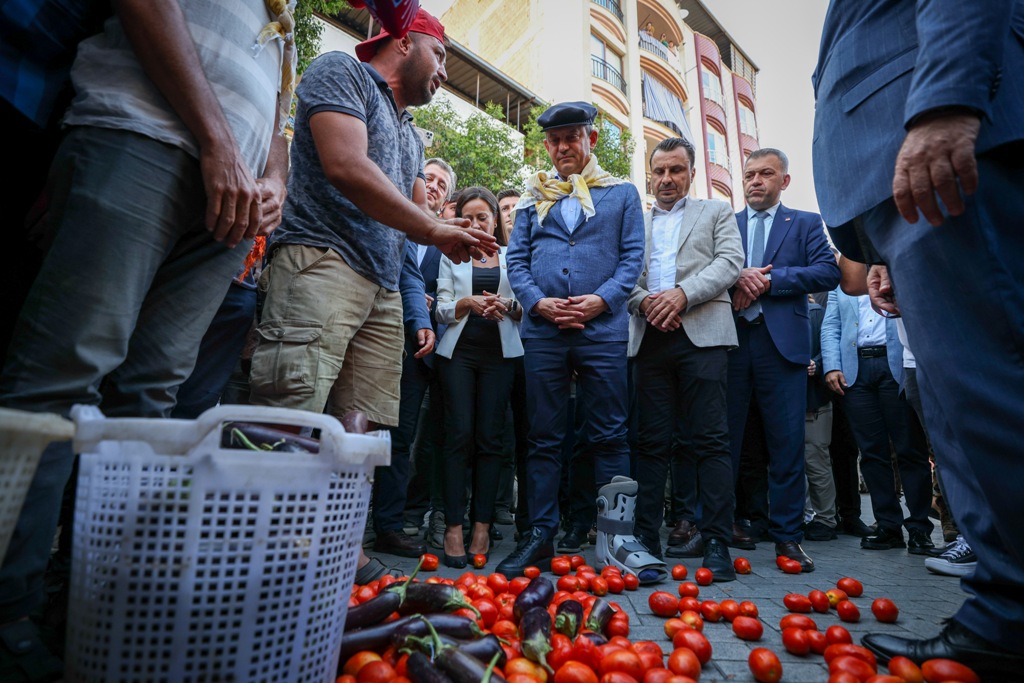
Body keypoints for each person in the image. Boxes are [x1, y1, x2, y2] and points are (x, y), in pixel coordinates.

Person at [0, 1, 292, 676]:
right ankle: (8, 604)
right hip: (142, 136)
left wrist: (274, 179)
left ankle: (96, 600)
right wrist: (219, 140)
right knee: (62, 371)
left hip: (233, 209)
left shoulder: (285, 12)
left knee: (149, 398)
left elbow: (279, 115)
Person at [812, 1, 1023, 676]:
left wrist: (944, 99)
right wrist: (876, 248)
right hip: (900, 182)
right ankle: (1004, 612)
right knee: (960, 408)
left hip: (939, 141)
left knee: (993, 391)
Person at [247, 8, 496, 579]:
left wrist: (447, 229)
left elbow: (414, 209)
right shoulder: (341, 71)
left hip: (384, 285)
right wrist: (434, 228)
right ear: (405, 43)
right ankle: (268, 554)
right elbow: (345, 165)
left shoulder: (411, 131)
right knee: (293, 410)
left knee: (361, 429)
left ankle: (341, 547)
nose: (442, 72)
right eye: (440, 56)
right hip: (322, 261)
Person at [498, 101, 662, 583]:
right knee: (543, 436)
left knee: (610, 433)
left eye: (573, 137)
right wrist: (536, 302)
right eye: (555, 140)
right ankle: (540, 535)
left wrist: (602, 301)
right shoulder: (531, 197)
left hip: (602, 329)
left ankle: (617, 539)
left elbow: (633, 259)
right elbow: (518, 260)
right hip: (544, 330)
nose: (564, 147)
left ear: (590, 139)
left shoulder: (623, 194)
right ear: (546, 146)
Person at [627, 137, 744, 581]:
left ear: (691, 173)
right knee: (651, 442)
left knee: (711, 439)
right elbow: (624, 275)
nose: (666, 179)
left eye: (676, 170)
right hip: (650, 338)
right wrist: (647, 304)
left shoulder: (715, 212)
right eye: (659, 171)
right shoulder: (634, 221)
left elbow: (730, 263)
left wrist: (681, 296)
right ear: (650, 174)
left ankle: (716, 541)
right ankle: (645, 540)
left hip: (704, 335)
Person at [726, 148, 840, 573]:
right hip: (732, 344)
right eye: (750, 174)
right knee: (730, 441)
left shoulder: (806, 223)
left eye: (766, 174)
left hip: (784, 348)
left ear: (784, 181)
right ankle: (729, 524)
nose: (755, 181)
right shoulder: (727, 224)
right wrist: (737, 275)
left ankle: (788, 536)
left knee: (787, 444)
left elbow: (827, 271)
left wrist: (770, 280)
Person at [434, 187, 523, 567]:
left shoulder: (512, 257)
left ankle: (482, 526)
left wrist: (509, 305)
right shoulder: (450, 256)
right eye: (467, 218)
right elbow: (439, 309)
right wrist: (467, 304)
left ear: (495, 221)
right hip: (458, 356)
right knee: (456, 437)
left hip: (500, 357)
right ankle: (454, 526)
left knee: (491, 440)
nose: (475, 224)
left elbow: (526, 308)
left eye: (482, 217)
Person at [820, 288, 935, 555]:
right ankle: (888, 527)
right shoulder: (843, 281)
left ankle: (919, 528)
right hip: (855, 372)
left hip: (896, 366)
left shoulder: (893, 269)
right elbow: (831, 325)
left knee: (910, 450)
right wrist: (832, 365)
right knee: (871, 453)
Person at [398, 158, 456, 543]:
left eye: (441, 185)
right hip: (386, 340)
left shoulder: (449, 241)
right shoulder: (394, 225)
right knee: (393, 434)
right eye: (428, 178)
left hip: (430, 352)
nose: (433, 186)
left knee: (428, 439)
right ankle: (385, 514)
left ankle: (414, 512)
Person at [802, 293, 839, 542]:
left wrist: (815, 363)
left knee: (816, 461)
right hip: (790, 402)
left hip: (814, 401)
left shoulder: (816, 314)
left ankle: (826, 519)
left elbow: (830, 349)